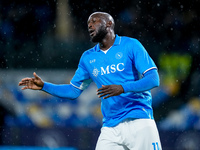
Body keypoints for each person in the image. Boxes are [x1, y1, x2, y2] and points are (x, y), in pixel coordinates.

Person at [19, 12, 162, 150]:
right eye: (88, 23)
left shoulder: (130, 45)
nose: (90, 25)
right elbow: (73, 91)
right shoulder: (88, 58)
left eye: (94, 21)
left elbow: (153, 79)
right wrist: (44, 86)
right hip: (110, 126)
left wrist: (122, 88)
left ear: (109, 24)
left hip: (139, 119)